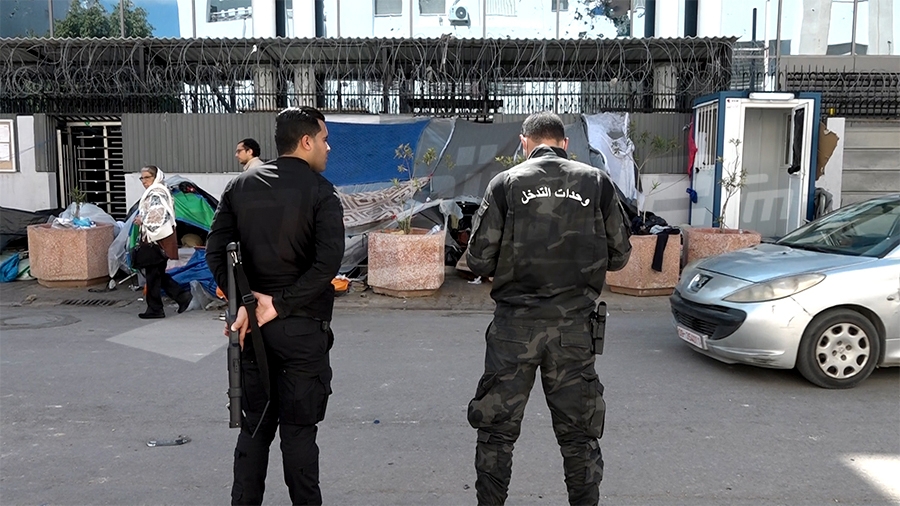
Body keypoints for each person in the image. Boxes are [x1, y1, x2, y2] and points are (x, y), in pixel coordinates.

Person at [465, 111, 632, 506]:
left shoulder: (506, 184)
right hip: (574, 328)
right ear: (565, 143)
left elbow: (477, 259)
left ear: (525, 142)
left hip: (513, 329)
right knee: (579, 435)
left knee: (496, 432)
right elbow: (621, 255)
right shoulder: (597, 182)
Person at [206, 106, 345, 506]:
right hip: (301, 330)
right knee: (299, 433)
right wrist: (279, 304)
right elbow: (327, 264)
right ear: (306, 141)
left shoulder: (239, 188)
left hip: (254, 330)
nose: (328, 147)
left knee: (254, 428)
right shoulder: (322, 192)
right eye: (323, 139)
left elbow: (216, 254)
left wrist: (244, 304)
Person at [135, 165, 192, 319]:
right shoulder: (160, 190)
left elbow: (158, 215)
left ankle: (156, 309)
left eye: (147, 177)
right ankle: (182, 296)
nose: (144, 181)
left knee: (153, 275)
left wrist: (142, 220)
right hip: (160, 239)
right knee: (157, 274)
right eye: (142, 177)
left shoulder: (156, 192)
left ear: (156, 177)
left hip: (156, 240)